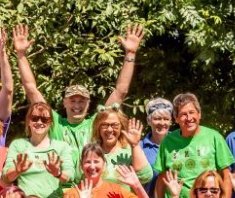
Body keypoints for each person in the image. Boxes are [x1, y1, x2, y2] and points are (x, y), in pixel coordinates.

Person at [14, 23, 143, 176]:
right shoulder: (55, 123)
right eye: (72, 100)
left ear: (88, 104)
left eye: (82, 101)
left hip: (92, 183)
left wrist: (130, 54)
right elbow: (31, 89)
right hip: (63, 185)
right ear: (64, 103)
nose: (77, 105)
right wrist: (21, 55)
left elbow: (120, 92)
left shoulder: (97, 122)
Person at [2, 102, 74, 198]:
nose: (39, 122)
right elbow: (6, 177)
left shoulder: (61, 147)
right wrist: (17, 171)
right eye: (35, 118)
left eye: (44, 119)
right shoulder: (18, 145)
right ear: (28, 121)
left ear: (51, 123)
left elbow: (70, 176)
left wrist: (58, 173)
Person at [90, 106, 152, 198]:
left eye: (114, 125)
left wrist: (135, 145)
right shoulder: (92, 153)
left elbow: (145, 176)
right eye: (105, 125)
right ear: (98, 127)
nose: (109, 129)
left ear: (121, 127)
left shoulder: (128, 151)